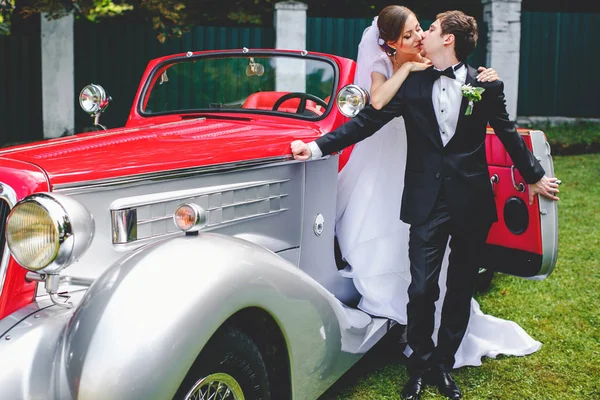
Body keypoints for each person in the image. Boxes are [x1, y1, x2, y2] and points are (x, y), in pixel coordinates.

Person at [291, 10, 560, 400]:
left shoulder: (484, 86)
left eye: (431, 29)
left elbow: (506, 131)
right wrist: (315, 146)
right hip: (425, 203)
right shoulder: (413, 86)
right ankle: (417, 367)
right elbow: (366, 122)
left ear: (448, 40)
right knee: (420, 289)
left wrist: (533, 175)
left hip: (471, 204)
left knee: (460, 286)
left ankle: (443, 366)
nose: (424, 34)